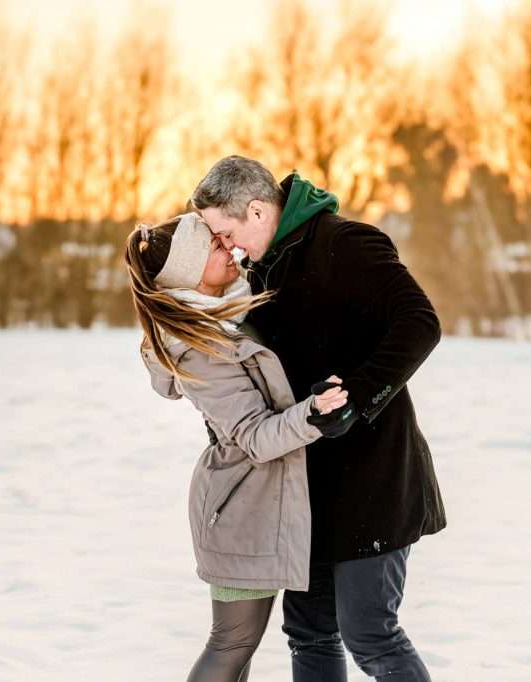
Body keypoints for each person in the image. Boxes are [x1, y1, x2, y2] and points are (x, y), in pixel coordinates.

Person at [191, 156, 446, 682]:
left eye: (227, 232)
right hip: (307, 484)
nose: (227, 247)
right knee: (309, 633)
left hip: (374, 476)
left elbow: (420, 322)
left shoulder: (344, 244)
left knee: (370, 631)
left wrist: (357, 397)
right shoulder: (260, 270)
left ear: (258, 210)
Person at [125, 212, 349, 682]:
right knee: (232, 644)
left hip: (256, 500)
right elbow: (253, 436)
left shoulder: (231, 309)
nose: (231, 250)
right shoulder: (198, 348)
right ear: (190, 274)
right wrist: (311, 413)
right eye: (215, 249)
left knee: (238, 651)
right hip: (237, 507)